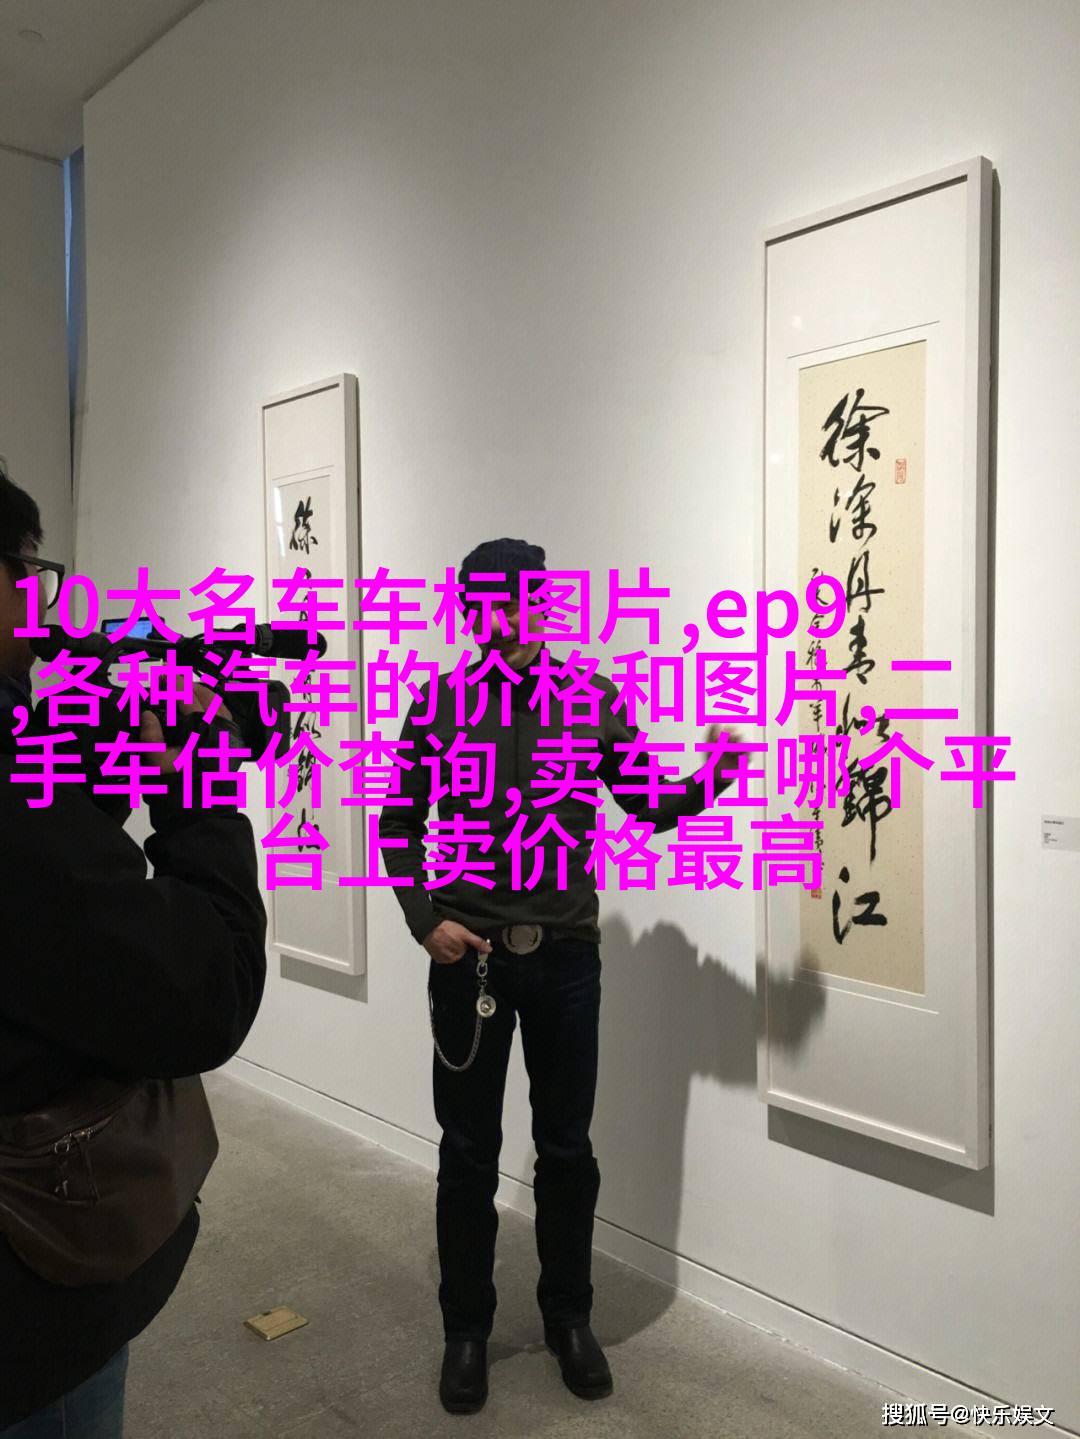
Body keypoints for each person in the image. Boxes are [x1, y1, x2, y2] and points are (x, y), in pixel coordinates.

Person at [379, 537, 743, 1414]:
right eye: (490, 602)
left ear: (544, 603)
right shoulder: (439, 703)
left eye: (523, 599)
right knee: (468, 1151)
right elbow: (397, 818)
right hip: (470, 959)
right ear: (471, 611)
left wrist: (715, 771)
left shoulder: (591, 697)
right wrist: (425, 919)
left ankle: (568, 1316)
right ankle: (467, 1329)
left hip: (568, 961)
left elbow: (647, 798)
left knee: (567, 1148)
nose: (508, 616)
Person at [0, 470, 268, 1435]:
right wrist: (199, 790)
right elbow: (207, 989)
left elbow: (59, 895)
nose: (39, 608)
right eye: (25, 573)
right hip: (30, 1317)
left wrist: (96, 755)